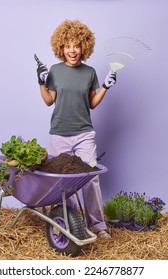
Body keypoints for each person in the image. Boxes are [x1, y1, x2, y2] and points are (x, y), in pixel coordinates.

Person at [35, 19, 117, 239]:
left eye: (77, 45)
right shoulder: (54, 70)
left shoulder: (89, 72)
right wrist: (41, 82)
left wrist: (106, 87)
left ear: (84, 47)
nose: (72, 51)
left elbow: (92, 103)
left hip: (83, 134)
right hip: (60, 134)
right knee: (64, 183)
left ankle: (99, 226)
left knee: (90, 178)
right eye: (68, 46)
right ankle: (71, 224)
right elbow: (48, 101)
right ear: (61, 47)